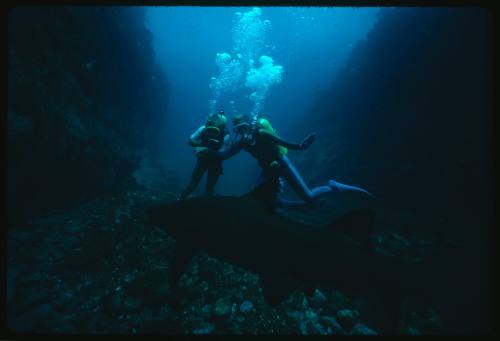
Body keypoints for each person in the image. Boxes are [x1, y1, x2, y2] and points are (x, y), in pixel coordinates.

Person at [200, 113, 373, 211]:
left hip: (281, 163)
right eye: (238, 129)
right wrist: (207, 150)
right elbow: (225, 155)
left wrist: (302, 145)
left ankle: (334, 187)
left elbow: (285, 144)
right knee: (263, 200)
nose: (242, 131)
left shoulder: (261, 133)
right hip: (267, 169)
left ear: (249, 125)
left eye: (244, 127)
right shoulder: (243, 142)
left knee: (309, 197)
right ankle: (306, 208)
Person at [179, 110, 230, 200]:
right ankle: (181, 199)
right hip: (203, 160)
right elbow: (190, 140)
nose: (212, 133)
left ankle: (205, 206)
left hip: (215, 163)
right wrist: (200, 146)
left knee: (209, 187)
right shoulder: (203, 129)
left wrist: (204, 149)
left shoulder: (225, 135)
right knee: (193, 183)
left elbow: (222, 154)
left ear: (221, 127)